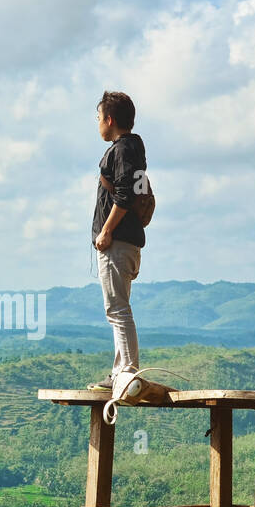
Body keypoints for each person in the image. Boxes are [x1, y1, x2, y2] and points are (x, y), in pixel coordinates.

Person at [87, 90, 147, 391]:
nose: (98, 123)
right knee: (118, 308)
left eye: (99, 118)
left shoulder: (121, 150)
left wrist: (106, 230)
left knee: (117, 310)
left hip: (119, 242)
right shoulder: (135, 149)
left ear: (110, 120)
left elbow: (124, 195)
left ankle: (127, 371)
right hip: (132, 241)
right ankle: (119, 373)